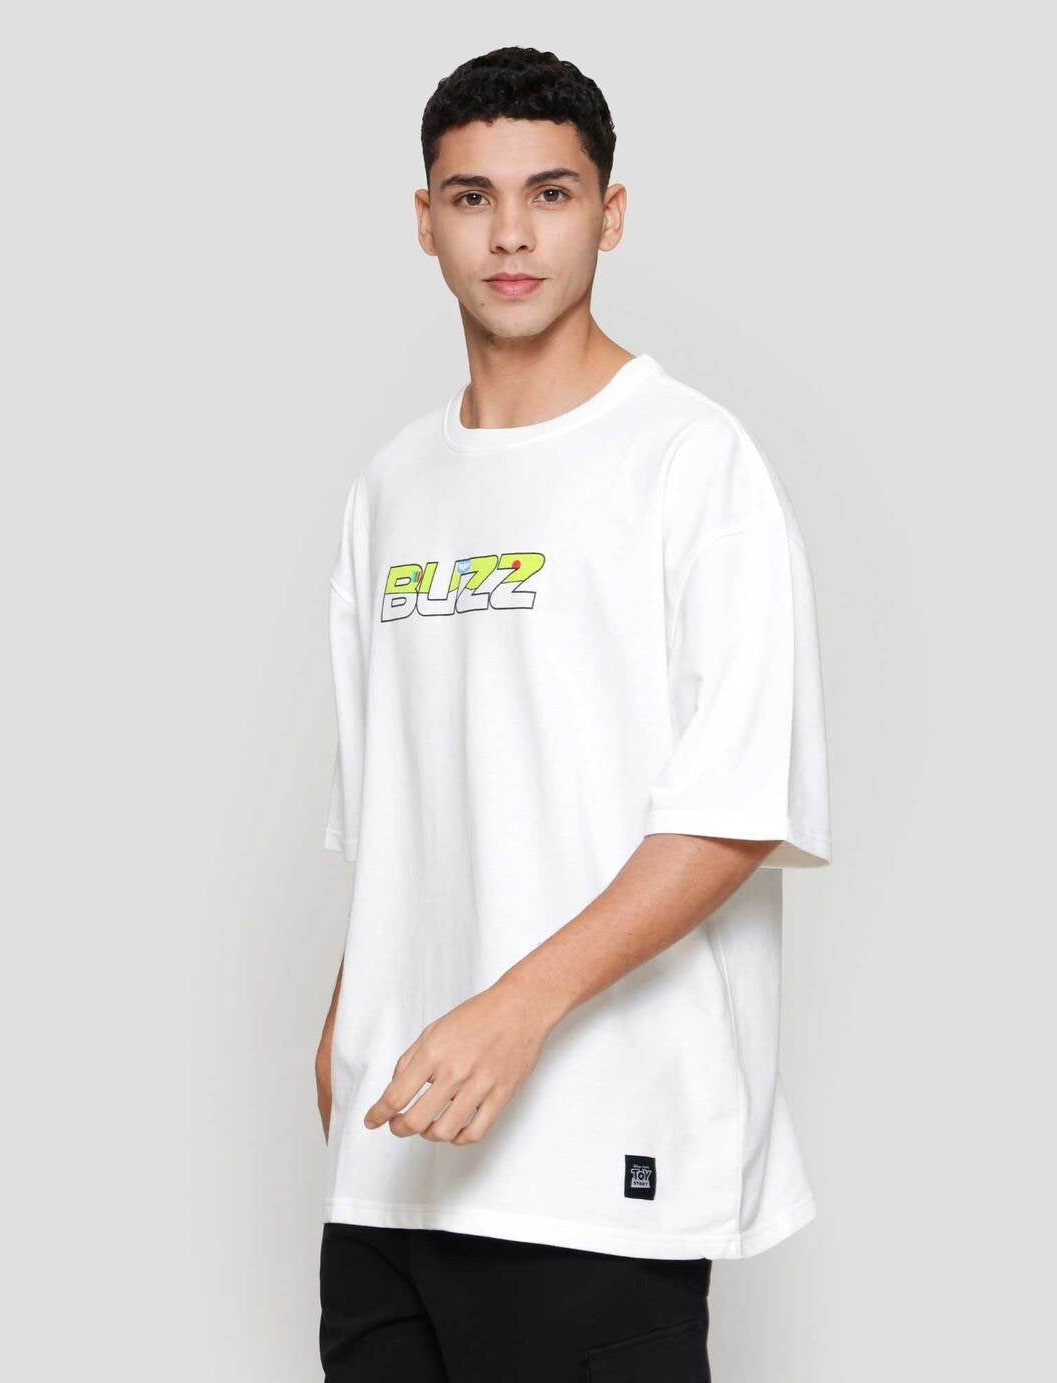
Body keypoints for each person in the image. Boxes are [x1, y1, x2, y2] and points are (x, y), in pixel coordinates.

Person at [314, 45, 831, 1383]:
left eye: (549, 193)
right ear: (424, 221)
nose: (511, 234)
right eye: (471, 198)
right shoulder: (391, 490)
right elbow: (393, 818)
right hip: (388, 1170)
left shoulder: (691, 462)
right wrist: (345, 1034)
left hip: (599, 1164)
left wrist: (516, 1009)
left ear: (610, 213)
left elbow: (734, 811)